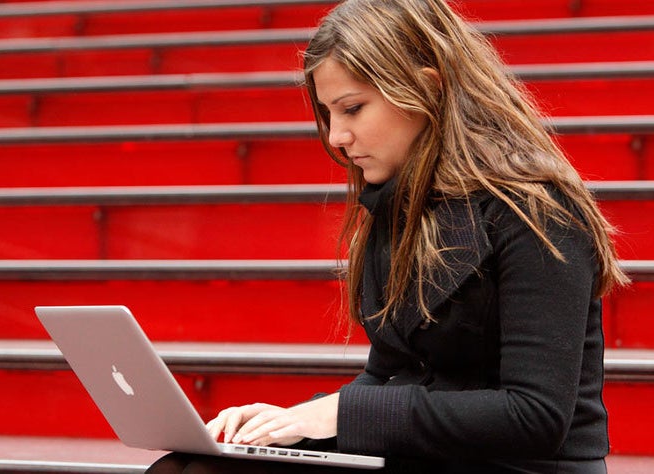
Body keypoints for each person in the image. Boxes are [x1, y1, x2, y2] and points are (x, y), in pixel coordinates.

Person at [146, 0, 629, 472]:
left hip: (520, 465)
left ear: (426, 89)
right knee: (187, 465)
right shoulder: (396, 204)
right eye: (329, 113)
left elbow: (535, 416)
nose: (336, 136)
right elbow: (388, 376)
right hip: (427, 456)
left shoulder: (537, 210)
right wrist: (285, 422)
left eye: (352, 109)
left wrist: (337, 414)